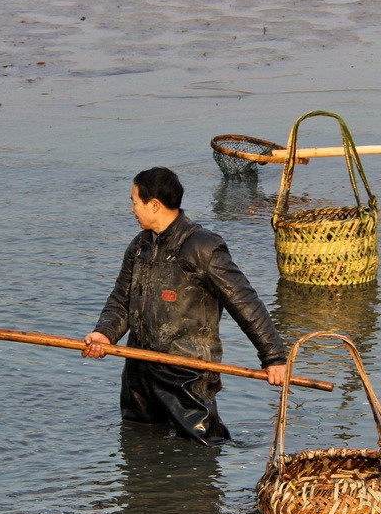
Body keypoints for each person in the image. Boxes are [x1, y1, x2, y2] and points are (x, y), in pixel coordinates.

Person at [82, 167, 287, 445]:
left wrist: (273, 358)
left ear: (154, 205)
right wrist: (104, 334)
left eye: (135, 202)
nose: (132, 209)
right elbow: (121, 299)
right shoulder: (139, 247)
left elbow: (245, 303)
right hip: (138, 370)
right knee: (137, 442)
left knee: (203, 446)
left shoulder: (204, 248)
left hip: (186, 372)